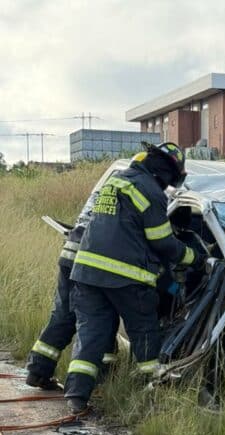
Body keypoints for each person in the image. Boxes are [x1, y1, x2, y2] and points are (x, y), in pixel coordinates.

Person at [63, 142, 202, 414]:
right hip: (126, 277)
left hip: (87, 272)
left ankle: (76, 397)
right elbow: (162, 242)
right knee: (144, 330)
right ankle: (148, 390)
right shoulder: (150, 191)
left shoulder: (117, 181)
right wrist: (196, 259)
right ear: (167, 173)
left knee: (91, 333)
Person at [25, 191, 118, 390]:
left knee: (63, 313)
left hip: (72, 252)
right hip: (93, 261)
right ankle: (100, 378)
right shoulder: (141, 190)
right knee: (101, 319)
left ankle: (38, 370)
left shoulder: (110, 187)